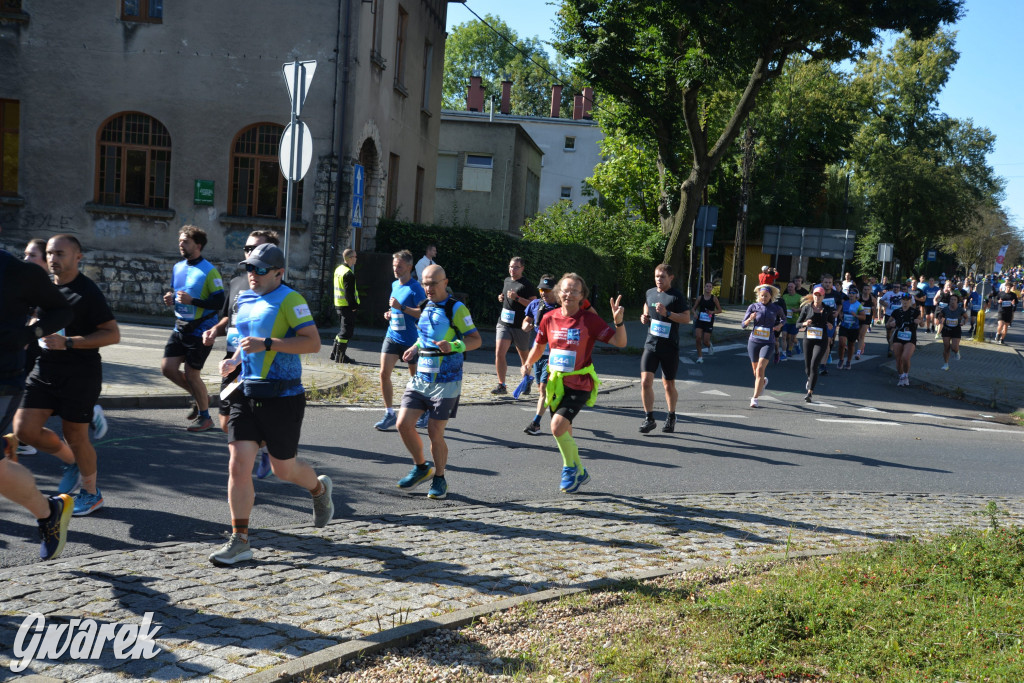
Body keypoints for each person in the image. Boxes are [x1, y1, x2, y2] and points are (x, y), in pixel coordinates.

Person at [209, 243, 333, 566]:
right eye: (249, 268)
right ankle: (240, 540)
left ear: (279, 273)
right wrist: (235, 360)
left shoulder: (291, 300)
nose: (253, 274)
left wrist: (268, 344)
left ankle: (319, 490)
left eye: (261, 269)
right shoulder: (244, 298)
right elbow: (246, 339)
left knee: (283, 469)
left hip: (283, 396)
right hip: (245, 392)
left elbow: (313, 343)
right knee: (238, 464)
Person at [14, 234, 121, 516]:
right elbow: (37, 317)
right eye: (50, 253)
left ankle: (91, 493)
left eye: (60, 254)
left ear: (78, 257)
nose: (53, 259)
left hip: (80, 374)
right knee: (24, 430)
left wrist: (69, 342)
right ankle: (72, 461)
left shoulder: (87, 292)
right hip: (44, 370)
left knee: (76, 434)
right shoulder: (44, 287)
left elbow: (112, 334)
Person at [1, 226, 75, 560]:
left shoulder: (19, 272)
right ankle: (49, 511)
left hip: (3, 378)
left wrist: (28, 335)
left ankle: (48, 512)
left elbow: (62, 310)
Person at [520, 273, 626, 493]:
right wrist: (528, 363)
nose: (569, 294)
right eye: (565, 290)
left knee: (557, 427)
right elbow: (539, 345)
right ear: (559, 293)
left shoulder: (589, 320)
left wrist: (619, 322)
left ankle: (569, 469)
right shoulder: (549, 318)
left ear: (582, 296)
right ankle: (580, 471)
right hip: (556, 383)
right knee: (564, 431)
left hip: (580, 383)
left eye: (574, 291)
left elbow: (620, 342)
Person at [394, 265, 482, 500]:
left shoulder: (456, 308)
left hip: (446, 380)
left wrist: (454, 346)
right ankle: (421, 467)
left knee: (434, 430)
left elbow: (476, 340)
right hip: (421, 377)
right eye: (425, 283)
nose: (428, 288)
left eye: (433, 283)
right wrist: (415, 347)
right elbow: (426, 337)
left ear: (445, 282)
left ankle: (440, 478)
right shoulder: (425, 305)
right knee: (403, 424)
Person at [202, 229, 279, 480]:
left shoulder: (277, 288)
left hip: (259, 365)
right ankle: (263, 448)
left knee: (245, 425)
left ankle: (244, 473)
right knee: (225, 422)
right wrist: (214, 330)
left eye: (254, 249)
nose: (249, 253)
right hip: (233, 362)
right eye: (247, 249)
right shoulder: (237, 282)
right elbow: (229, 316)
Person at [162, 226, 225, 432]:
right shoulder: (178, 267)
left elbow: (219, 302)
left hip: (201, 329)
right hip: (180, 326)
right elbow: (178, 292)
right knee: (168, 369)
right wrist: (171, 298)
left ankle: (205, 417)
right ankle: (201, 397)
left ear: (198, 245)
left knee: (191, 374)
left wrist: (193, 301)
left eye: (186, 241)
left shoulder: (209, 271)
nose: (181, 244)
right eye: (180, 240)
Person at [374, 250, 426, 431]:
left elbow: (423, 313)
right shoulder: (395, 284)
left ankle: (423, 411)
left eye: (400, 266)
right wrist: (390, 313)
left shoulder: (416, 288)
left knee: (415, 379)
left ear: (409, 267)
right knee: (383, 374)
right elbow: (395, 309)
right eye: (394, 266)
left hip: (411, 341)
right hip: (392, 336)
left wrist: (401, 307)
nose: (395, 269)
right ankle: (389, 413)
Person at [638, 264, 690, 433]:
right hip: (651, 344)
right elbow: (647, 304)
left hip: (669, 347)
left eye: (662, 277)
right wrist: (645, 316)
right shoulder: (650, 292)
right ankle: (649, 418)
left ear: (671, 278)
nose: (659, 280)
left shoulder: (676, 296)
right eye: (656, 276)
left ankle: (671, 415)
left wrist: (668, 314)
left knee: (668, 385)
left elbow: (686, 318)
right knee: (645, 381)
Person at [492, 257, 537, 395]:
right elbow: (505, 296)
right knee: (499, 353)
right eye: (511, 266)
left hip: (520, 326)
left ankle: (526, 380)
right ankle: (502, 385)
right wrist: (501, 297)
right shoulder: (507, 280)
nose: (513, 269)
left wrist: (517, 298)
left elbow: (533, 305)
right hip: (504, 323)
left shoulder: (527, 285)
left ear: (522, 268)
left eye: (516, 267)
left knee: (524, 357)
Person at [522, 275, 559, 435]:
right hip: (538, 353)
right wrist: (526, 326)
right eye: (541, 290)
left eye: (547, 290)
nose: (543, 293)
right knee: (542, 390)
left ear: (555, 290)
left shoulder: (562, 307)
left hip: (554, 355)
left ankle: (535, 424)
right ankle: (557, 413)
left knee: (544, 388)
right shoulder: (535, 304)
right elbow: (526, 321)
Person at [742, 284, 785, 408]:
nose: (764, 298)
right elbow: (743, 325)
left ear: (770, 296)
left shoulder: (776, 308)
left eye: (766, 296)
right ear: (758, 296)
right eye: (762, 296)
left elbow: (784, 319)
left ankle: (754, 398)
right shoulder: (753, 307)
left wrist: (779, 326)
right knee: (756, 372)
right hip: (754, 341)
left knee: (760, 368)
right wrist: (750, 319)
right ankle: (763, 381)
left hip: (768, 342)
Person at [796, 286, 835, 402]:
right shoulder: (807, 308)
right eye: (815, 295)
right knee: (808, 367)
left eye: (819, 295)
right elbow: (797, 324)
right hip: (808, 339)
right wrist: (804, 323)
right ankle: (809, 378)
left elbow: (832, 324)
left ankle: (810, 392)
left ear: (823, 297)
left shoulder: (827, 309)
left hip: (821, 340)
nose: (817, 297)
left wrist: (830, 326)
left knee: (814, 365)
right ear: (813, 295)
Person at [887, 293, 923, 386]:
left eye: (907, 300)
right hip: (898, 337)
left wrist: (919, 321)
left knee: (905, 357)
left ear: (910, 301)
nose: (905, 302)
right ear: (901, 301)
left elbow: (922, 324)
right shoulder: (896, 311)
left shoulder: (915, 312)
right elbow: (887, 324)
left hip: (910, 338)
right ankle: (901, 377)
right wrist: (891, 324)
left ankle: (906, 375)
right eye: (903, 300)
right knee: (898, 359)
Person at [330, 248, 359, 364]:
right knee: (346, 332)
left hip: (339, 304)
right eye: (355, 257)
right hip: (347, 306)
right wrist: (353, 306)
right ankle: (340, 357)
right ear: (350, 258)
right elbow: (349, 293)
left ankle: (334, 354)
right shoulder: (348, 273)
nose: (356, 259)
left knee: (342, 331)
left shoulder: (339, 269)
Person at [835, 287, 867, 370]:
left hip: (854, 328)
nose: (851, 295)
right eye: (850, 293)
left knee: (851, 345)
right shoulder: (844, 303)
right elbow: (840, 310)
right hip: (844, 326)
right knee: (841, 343)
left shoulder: (859, 305)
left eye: (853, 293)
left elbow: (863, 317)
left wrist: (856, 315)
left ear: (856, 295)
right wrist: (840, 314)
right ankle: (841, 360)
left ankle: (848, 361)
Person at [936, 292, 968, 370]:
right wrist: (940, 320)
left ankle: (956, 352)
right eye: (951, 299)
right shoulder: (945, 309)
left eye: (954, 300)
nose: (953, 301)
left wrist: (963, 322)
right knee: (946, 347)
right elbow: (939, 316)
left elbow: (966, 317)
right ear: (949, 301)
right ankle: (946, 364)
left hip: (956, 329)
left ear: (957, 301)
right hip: (946, 329)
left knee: (954, 347)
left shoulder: (960, 309)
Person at [693, 281, 722, 363]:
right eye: (707, 286)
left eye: (710, 287)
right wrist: (695, 313)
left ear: (712, 288)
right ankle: (700, 357)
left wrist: (712, 312)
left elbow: (720, 310)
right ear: (704, 287)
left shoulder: (714, 298)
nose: (708, 288)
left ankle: (709, 345)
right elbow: (693, 308)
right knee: (698, 338)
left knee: (705, 341)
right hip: (700, 320)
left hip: (709, 321)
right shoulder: (700, 298)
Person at [779, 281, 802, 360]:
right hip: (785, 320)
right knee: (784, 337)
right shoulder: (784, 296)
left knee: (792, 338)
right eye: (788, 287)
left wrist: (796, 310)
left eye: (791, 287)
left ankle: (796, 344)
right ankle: (784, 353)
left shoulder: (799, 297)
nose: (790, 288)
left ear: (794, 287)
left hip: (795, 321)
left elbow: (803, 308)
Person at [855, 283, 876, 360]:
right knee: (857, 335)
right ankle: (862, 344)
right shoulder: (859, 298)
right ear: (862, 290)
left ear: (870, 290)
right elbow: (855, 307)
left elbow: (874, 309)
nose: (866, 291)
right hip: (859, 317)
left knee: (861, 335)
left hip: (867, 319)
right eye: (865, 289)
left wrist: (873, 318)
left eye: (868, 289)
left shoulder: (872, 298)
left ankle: (858, 353)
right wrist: (860, 305)